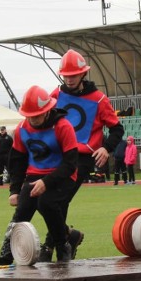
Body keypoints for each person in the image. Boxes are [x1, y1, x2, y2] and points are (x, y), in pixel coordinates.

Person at [50, 49, 123, 258]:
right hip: (58, 156)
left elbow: (117, 128)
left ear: (83, 74)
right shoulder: (55, 96)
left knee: (60, 200)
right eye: (66, 75)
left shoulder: (99, 99)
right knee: (48, 202)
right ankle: (68, 237)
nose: (70, 79)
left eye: (74, 75)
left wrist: (106, 148)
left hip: (82, 158)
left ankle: (52, 247)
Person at [0, 85, 79, 264]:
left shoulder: (63, 127)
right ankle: (7, 252)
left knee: (47, 203)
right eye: (29, 116)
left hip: (62, 175)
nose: (32, 120)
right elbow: (17, 162)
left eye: (37, 116)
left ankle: (62, 246)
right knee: (22, 211)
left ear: (47, 111)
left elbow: (70, 164)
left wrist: (47, 182)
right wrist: (14, 190)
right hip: (35, 175)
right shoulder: (21, 130)